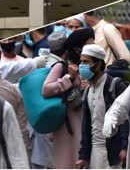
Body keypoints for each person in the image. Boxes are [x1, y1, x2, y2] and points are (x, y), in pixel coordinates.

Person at [75, 44, 129, 169]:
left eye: (86, 62)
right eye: (81, 61)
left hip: (114, 154)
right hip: (95, 153)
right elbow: (86, 126)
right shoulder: (88, 90)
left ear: (98, 64)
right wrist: (83, 156)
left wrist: (124, 147)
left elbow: (125, 119)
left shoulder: (115, 86)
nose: (81, 65)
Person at [42, 31, 84, 169]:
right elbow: (46, 89)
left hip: (82, 121)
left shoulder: (84, 65)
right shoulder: (61, 66)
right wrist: (69, 79)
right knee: (65, 161)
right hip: (66, 125)